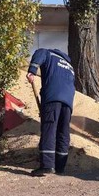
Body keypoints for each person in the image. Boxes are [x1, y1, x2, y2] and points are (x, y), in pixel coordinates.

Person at [27, 48, 76, 176]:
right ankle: (60, 167)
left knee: (49, 129)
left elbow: (39, 53)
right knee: (63, 132)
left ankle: (47, 165)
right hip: (68, 102)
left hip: (53, 98)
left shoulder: (48, 53)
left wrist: (32, 71)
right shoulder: (69, 66)